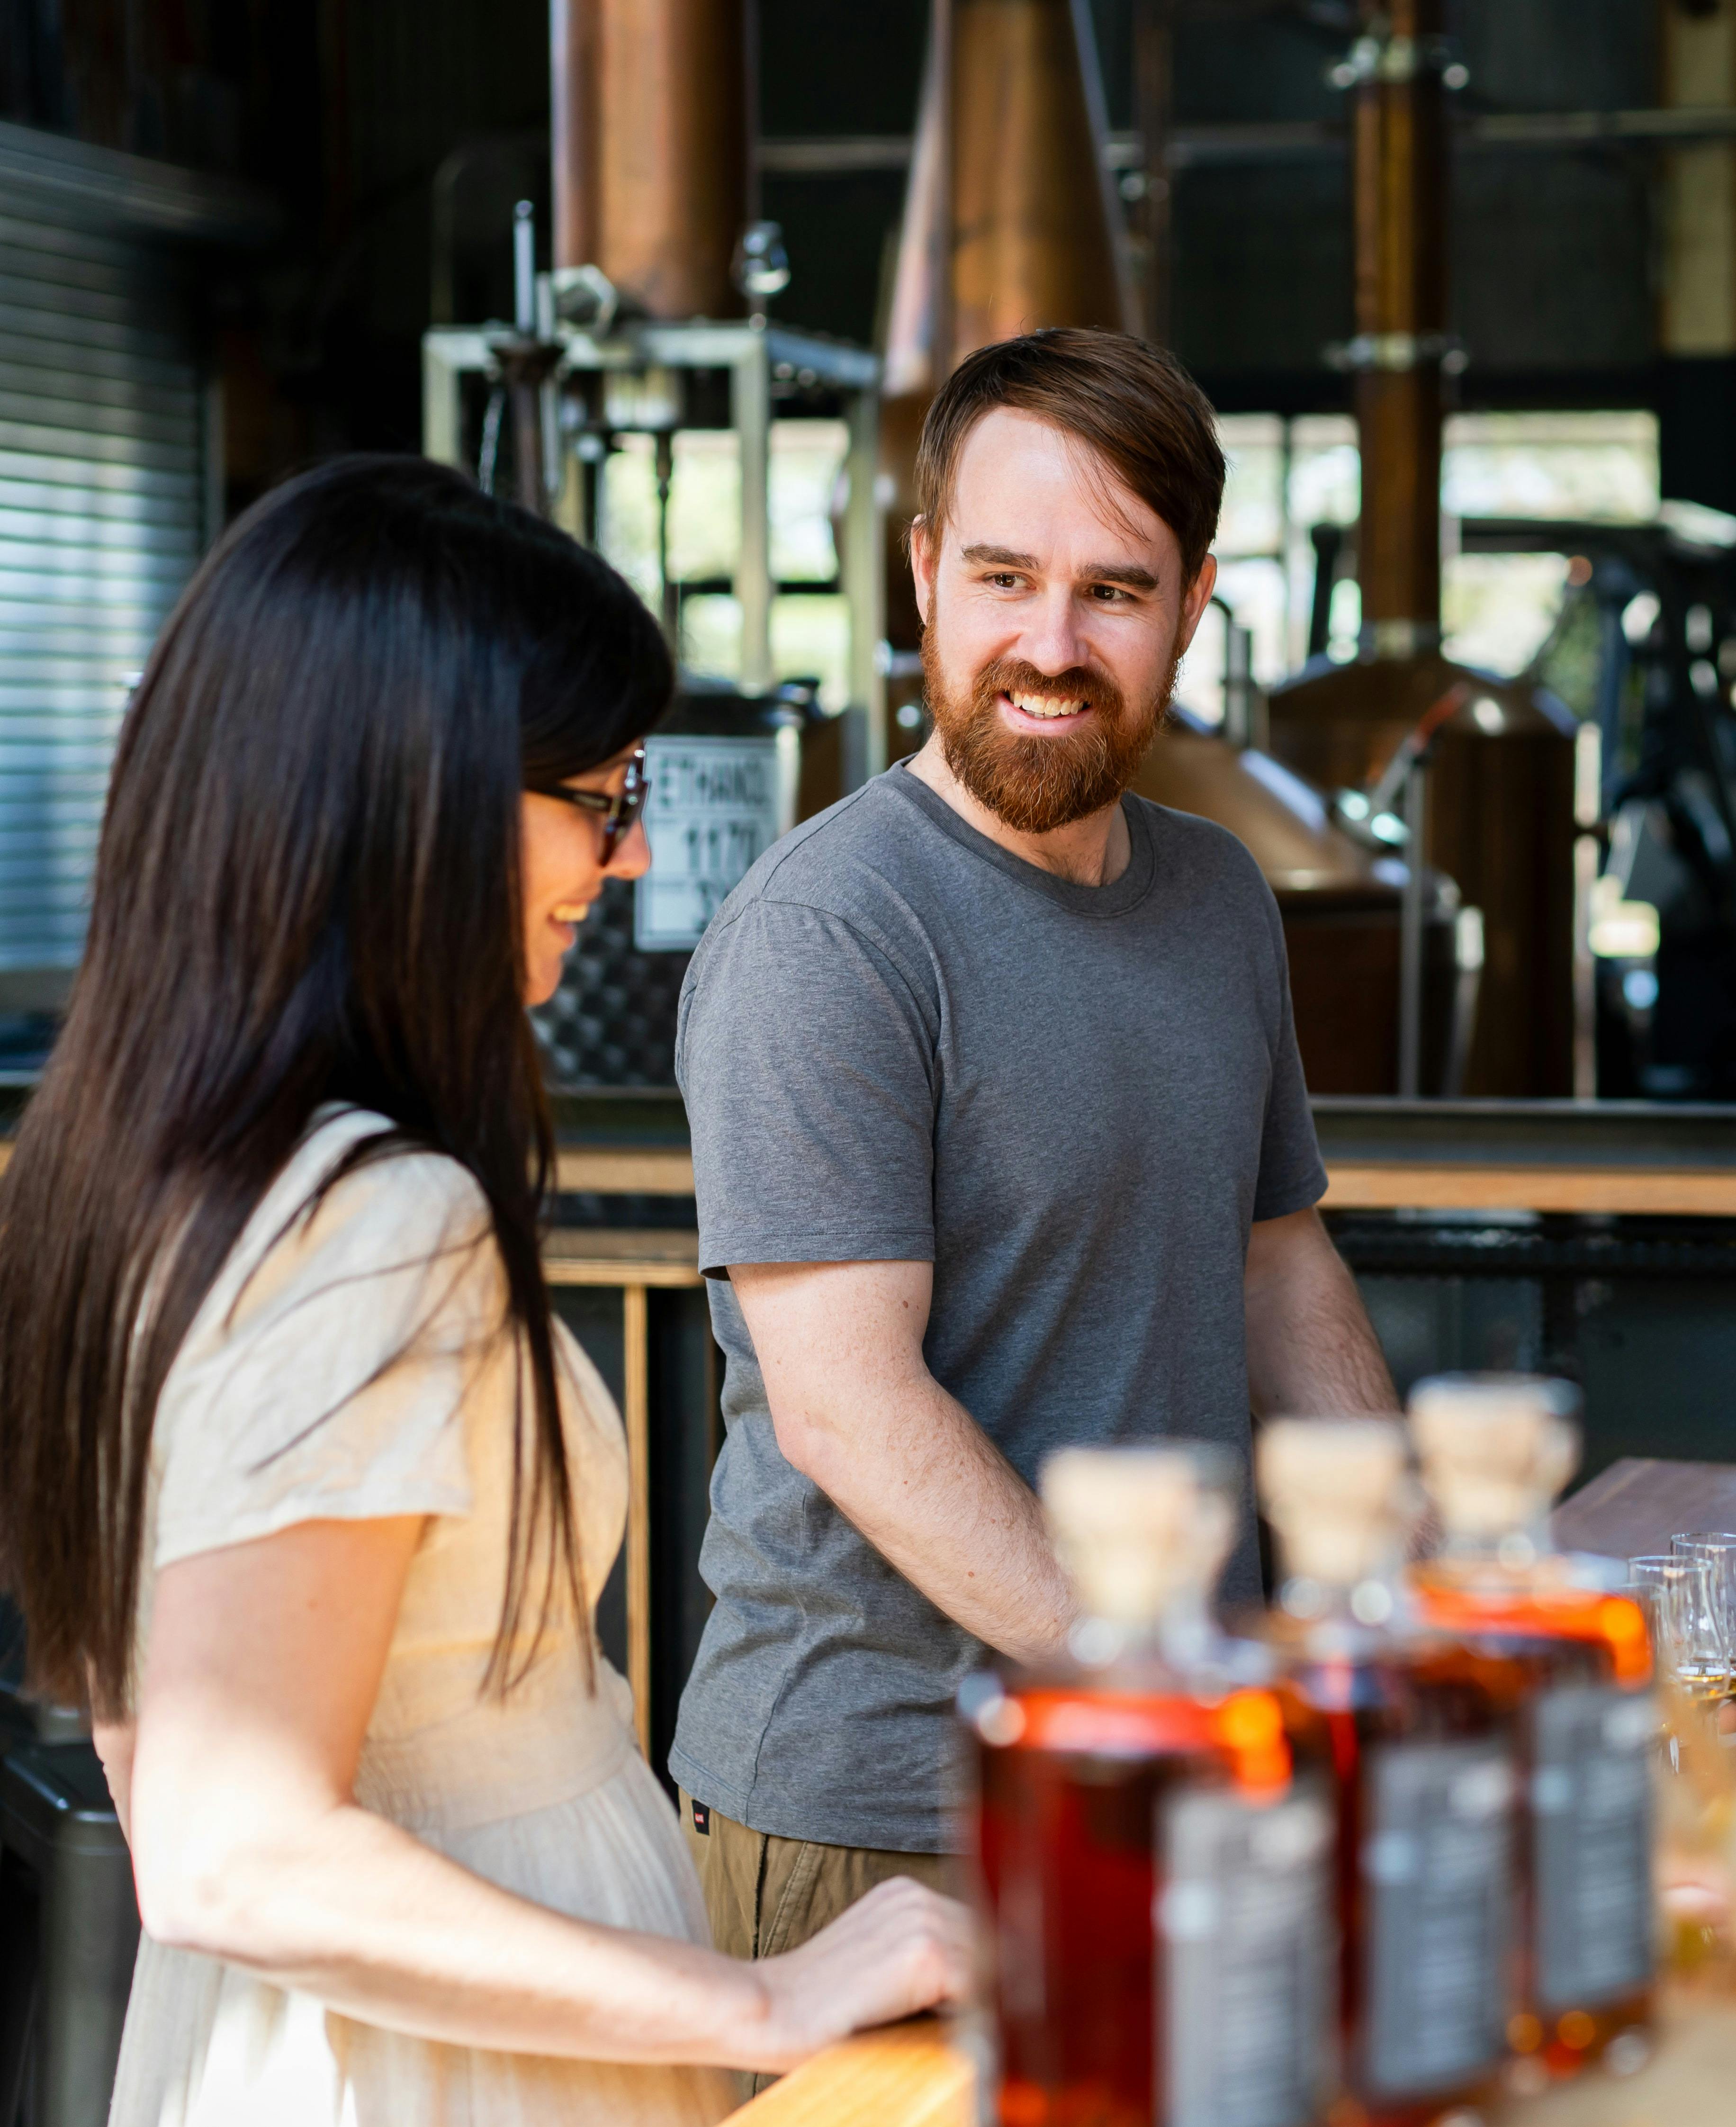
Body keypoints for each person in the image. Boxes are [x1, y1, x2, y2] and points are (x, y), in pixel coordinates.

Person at [0, 458, 964, 2127]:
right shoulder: (374, 1222)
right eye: (597, 791)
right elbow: (236, 1851)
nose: (636, 846)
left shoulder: (132, 1173)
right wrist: (773, 1988)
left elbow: (163, 1793)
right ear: (415, 803)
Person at [668, 327, 1400, 1956]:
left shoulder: (1216, 896)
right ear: (924, 570)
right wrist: (1172, 1671)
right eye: (1004, 576)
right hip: (889, 1818)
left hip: (1166, 1751)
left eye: (1114, 592)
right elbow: (853, 1409)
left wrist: (1408, 1588)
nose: (1049, 643)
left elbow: (1281, 1269)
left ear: (1195, 603)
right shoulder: (832, 931)